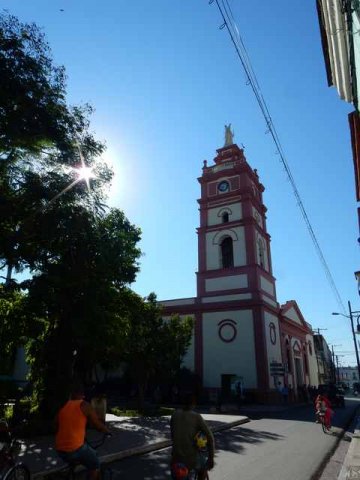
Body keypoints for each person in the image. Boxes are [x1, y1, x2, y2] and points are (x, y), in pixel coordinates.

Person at [55, 382, 111, 480]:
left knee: (80, 455)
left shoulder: (64, 407)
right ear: (82, 394)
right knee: (95, 464)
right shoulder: (85, 405)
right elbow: (97, 425)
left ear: (71, 394)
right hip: (75, 449)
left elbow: (57, 424)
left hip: (60, 449)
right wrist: (107, 431)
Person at [170, 392, 215, 480]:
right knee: (203, 468)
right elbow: (210, 437)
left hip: (176, 458)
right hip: (191, 459)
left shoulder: (174, 415)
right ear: (194, 404)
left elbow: (173, 436)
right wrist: (211, 458)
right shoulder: (196, 417)